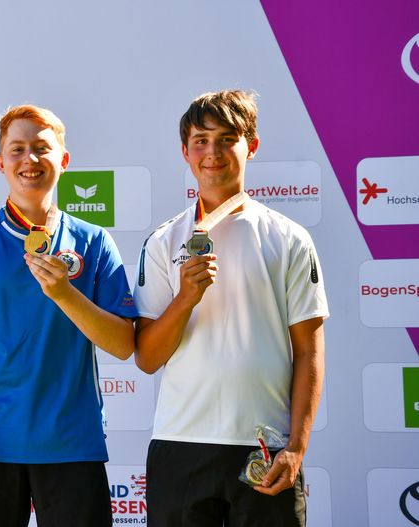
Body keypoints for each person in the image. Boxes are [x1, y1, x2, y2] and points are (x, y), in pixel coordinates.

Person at [0, 104, 137, 526]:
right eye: (16, 150)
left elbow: (124, 346)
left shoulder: (94, 242)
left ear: (64, 161)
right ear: (0, 162)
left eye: (41, 148)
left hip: (72, 446)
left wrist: (64, 295)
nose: (29, 160)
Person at [134, 89, 329, 526]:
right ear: (185, 152)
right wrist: (186, 297)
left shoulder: (290, 238)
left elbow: (310, 353)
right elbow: (147, 358)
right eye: (201, 140)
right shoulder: (163, 241)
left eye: (227, 139)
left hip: (264, 447)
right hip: (179, 446)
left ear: (251, 145)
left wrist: (295, 447)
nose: (213, 152)